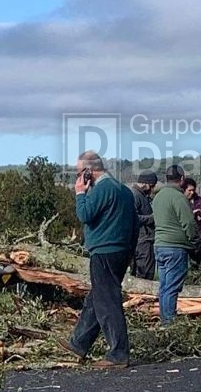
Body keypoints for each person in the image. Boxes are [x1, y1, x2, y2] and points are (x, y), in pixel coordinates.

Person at [57, 150, 139, 369]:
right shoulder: (124, 190)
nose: (78, 177)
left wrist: (79, 193)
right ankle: (79, 342)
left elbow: (85, 215)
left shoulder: (102, 189)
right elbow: (135, 224)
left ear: (88, 171)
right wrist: (130, 252)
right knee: (97, 298)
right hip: (121, 251)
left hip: (104, 251)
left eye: (79, 172)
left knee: (107, 302)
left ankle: (118, 354)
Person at [151, 164, 197, 327]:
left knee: (164, 287)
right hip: (175, 247)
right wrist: (193, 240)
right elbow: (189, 223)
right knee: (171, 288)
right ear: (182, 179)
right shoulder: (178, 197)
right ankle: (169, 325)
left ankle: (164, 321)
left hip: (160, 245)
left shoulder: (158, 197)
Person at [129, 170, 158, 279]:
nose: (152, 189)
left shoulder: (141, 195)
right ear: (145, 184)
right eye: (152, 186)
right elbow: (133, 217)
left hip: (143, 240)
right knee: (145, 274)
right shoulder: (135, 195)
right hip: (142, 241)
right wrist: (152, 218)